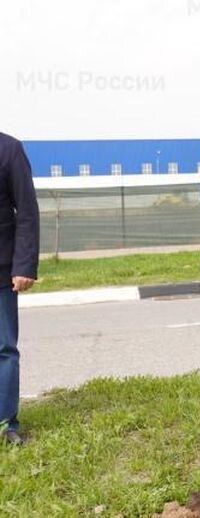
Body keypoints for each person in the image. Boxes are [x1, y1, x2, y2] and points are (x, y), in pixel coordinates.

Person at [0, 132, 40, 447]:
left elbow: (26, 211)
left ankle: (6, 424)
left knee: (4, 349)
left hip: (2, 270)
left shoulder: (9, 149)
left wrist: (23, 266)